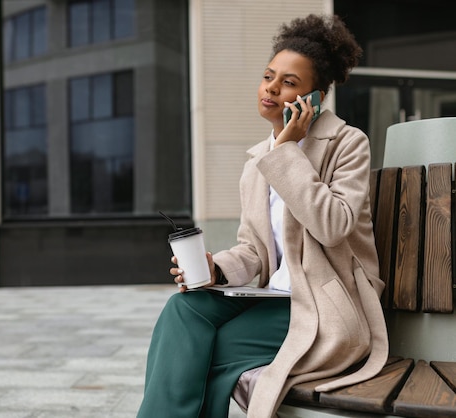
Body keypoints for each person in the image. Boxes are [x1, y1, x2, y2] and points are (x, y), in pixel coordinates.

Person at [137, 14, 388, 418]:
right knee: (182, 311)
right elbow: (254, 249)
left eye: (289, 83)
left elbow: (333, 226)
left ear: (315, 99)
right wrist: (214, 269)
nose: (271, 87)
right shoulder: (257, 160)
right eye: (269, 76)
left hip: (327, 306)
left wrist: (288, 153)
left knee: (205, 351)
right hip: (273, 299)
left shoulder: (347, 144)